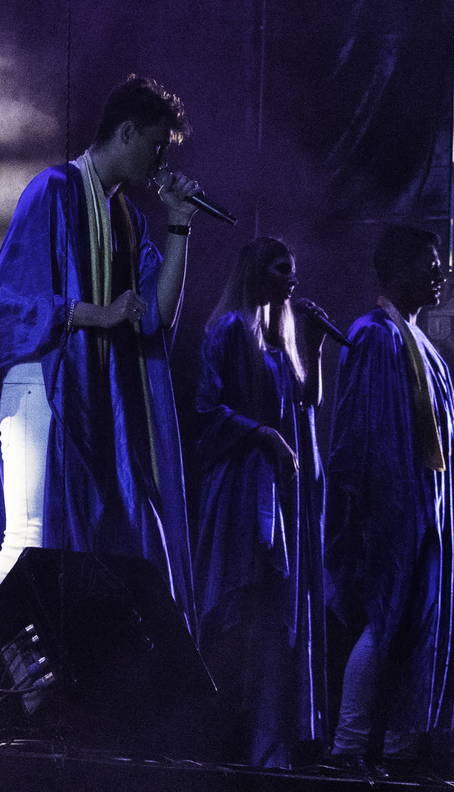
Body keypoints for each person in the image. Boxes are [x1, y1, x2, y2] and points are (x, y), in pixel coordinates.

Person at [0, 75, 203, 619]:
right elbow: (9, 304)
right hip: (38, 378)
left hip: (90, 392)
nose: (159, 160)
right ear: (126, 132)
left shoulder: (127, 218)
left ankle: (34, 683)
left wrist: (180, 227)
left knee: (76, 544)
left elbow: (155, 318)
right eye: (156, 145)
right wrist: (100, 312)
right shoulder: (52, 189)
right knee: (28, 533)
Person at [325, 226, 454, 767]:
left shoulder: (421, 343)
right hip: (394, 508)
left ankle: (398, 747)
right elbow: (358, 433)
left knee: (417, 628)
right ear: (397, 268)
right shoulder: (374, 335)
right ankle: (348, 747)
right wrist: (370, 511)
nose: (440, 274)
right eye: (429, 264)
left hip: (428, 508)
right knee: (386, 624)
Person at [194, 237, 330, 767]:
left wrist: (314, 348)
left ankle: (267, 745)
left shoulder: (281, 338)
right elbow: (207, 409)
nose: (291, 280)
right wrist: (263, 436)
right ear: (256, 271)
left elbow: (306, 402)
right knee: (238, 611)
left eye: (293, 271)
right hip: (240, 493)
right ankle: (221, 739)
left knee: (274, 622)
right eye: (282, 269)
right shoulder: (228, 331)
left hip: (281, 495)